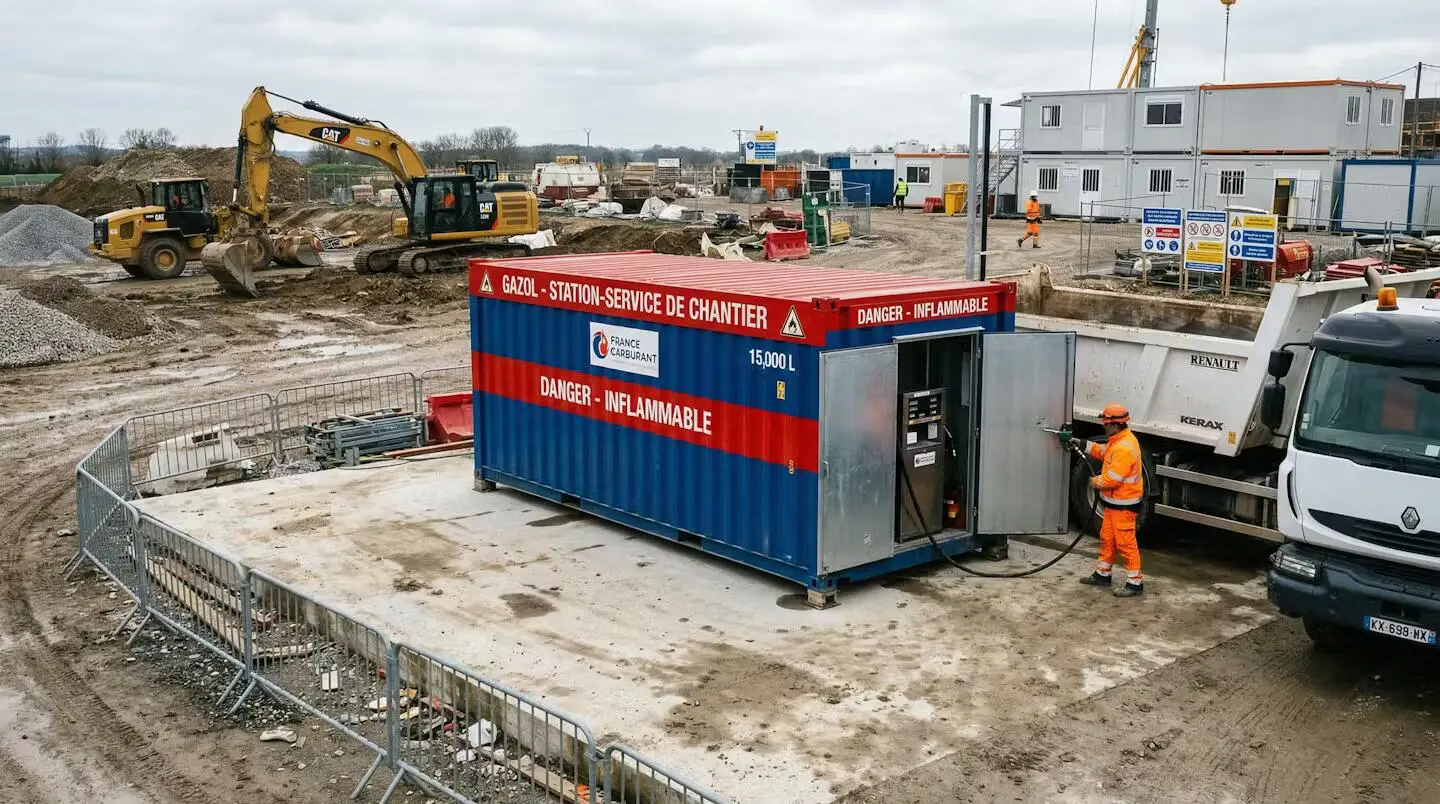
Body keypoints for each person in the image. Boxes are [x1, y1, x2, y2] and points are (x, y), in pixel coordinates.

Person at [1058, 403, 1144, 597]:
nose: (1103, 426)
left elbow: (1113, 479)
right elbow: (1103, 452)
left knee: (1125, 544)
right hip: (1114, 506)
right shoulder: (1118, 440)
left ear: (1115, 425)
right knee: (1108, 540)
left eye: (1106, 423)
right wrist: (1078, 442)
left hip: (1124, 507)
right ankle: (1102, 574)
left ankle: (1135, 583)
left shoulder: (1124, 447)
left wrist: (1094, 481)